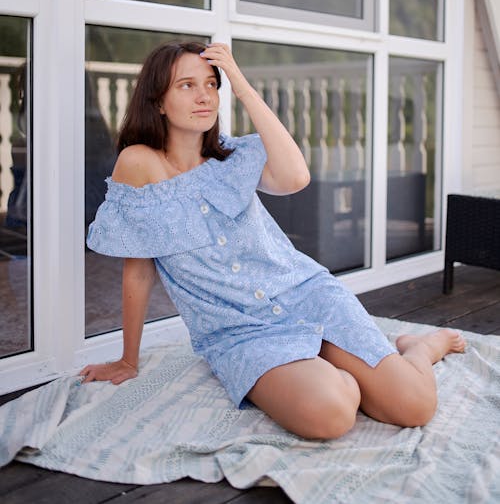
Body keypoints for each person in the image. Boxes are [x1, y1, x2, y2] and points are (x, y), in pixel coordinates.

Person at [82, 42, 466, 440]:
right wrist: (128, 360)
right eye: (186, 85)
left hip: (305, 295)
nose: (204, 96)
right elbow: (139, 271)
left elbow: (296, 177)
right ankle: (333, 374)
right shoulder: (139, 163)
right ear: (157, 101)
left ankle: (419, 348)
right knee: (331, 417)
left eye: (213, 84)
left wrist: (242, 85)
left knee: (416, 406)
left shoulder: (234, 155)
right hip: (241, 331)